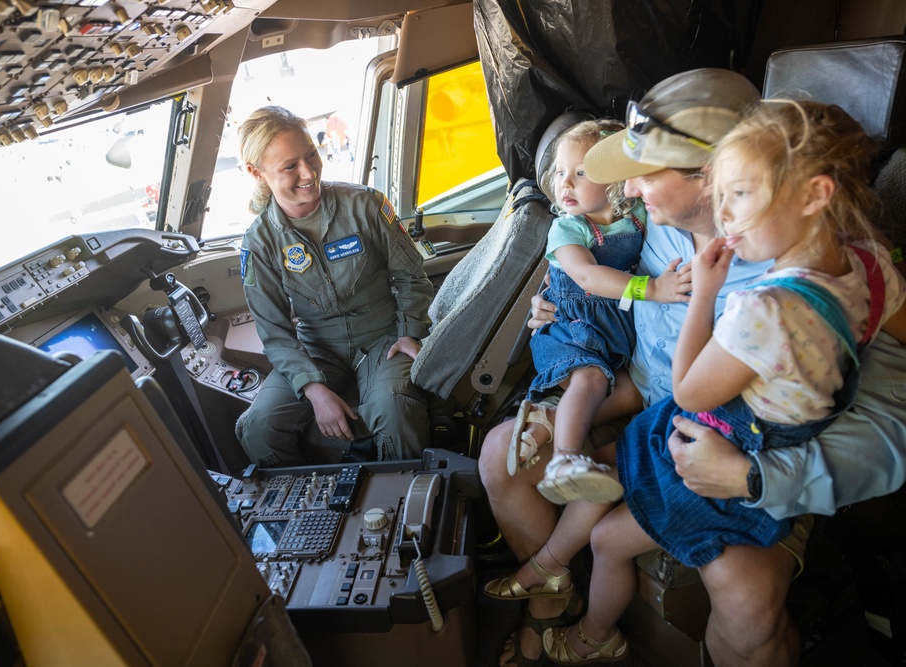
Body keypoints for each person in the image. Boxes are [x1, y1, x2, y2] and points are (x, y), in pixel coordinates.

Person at [478, 68, 906, 667]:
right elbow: (615, 283)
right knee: (505, 456)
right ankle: (558, 603)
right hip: (648, 395)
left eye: (646, 170)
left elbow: (892, 431)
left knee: (745, 599)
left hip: (759, 442)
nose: (630, 185)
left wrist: (754, 478)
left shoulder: (827, 270)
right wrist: (561, 308)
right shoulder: (651, 217)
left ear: (712, 176)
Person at [234, 105, 433, 467]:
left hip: (384, 337)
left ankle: (404, 505)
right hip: (317, 349)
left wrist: (410, 331)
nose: (309, 173)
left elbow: (411, 276)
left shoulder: (365, 205)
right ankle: (302, 512)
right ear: (257, 173)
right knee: (258, 426)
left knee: (395, 408)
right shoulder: (259, 242)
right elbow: (275, 332)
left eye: (311, 154)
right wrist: (313, 388)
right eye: (290, 166)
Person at [510, 118, 688, 504]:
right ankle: (565, 460)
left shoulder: (640, 213)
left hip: (613, 330)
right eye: (560, 173)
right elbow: (588, 278)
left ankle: (543, 423)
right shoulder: (569, 229)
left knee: (622, 390)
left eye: (580, 172)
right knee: (590, 379)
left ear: (614, 178)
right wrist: (652, 288)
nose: (565, 183)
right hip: (573, 327)